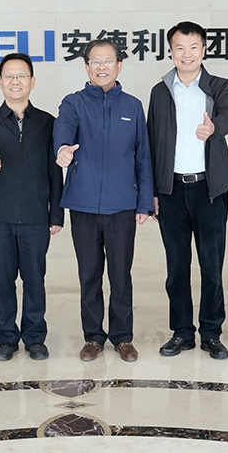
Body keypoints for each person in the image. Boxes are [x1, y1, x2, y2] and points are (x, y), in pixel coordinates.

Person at [53, 39, 154, 363]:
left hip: (122, 204)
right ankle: (93, 337)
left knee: (121, 275)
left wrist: (144, 203)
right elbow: (63, 130)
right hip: (83, 204)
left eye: (108, 61)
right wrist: (63, 149)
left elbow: (143, 156)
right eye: (95, 62)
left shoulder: (132, 106)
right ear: (86, 68)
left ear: (119, 66)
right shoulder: (74, 103)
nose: (101, 67)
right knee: (89, 274)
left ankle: (123, 337)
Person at [146, 21, 228, 360]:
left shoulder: (219, 86)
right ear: (171, 52)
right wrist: (152, 191)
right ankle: (182, 332)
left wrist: (214, 127)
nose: (187, 54)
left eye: (193, 47)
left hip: (209, 190)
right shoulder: (160, 92)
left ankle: (211, 333)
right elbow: (151, 142)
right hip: (171, 191)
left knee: (212, 266)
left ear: (203, 50)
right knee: (176, 267)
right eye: (180, 48)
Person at [0, 53, 64, 361]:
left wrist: (55, 213)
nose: (15, 81)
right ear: (0, 82)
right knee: (2, 280)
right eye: (9, 76)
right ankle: (6, 337)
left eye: (21, 75)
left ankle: (35, 337)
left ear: (32, 82)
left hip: (36, 217)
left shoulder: (48, 123)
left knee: (35, 280)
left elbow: (54, 171)